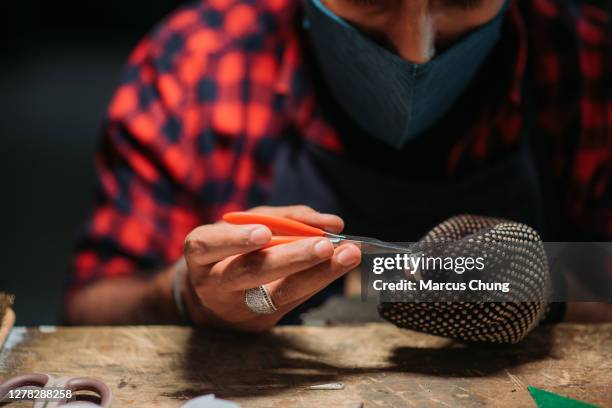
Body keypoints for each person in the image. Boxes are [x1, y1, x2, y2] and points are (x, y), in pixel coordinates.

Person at [65, 0, 612, 332]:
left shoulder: (587, 61)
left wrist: (547, 286)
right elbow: (89, 308)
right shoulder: (194, 65)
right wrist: (186, 296)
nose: (415, 53)